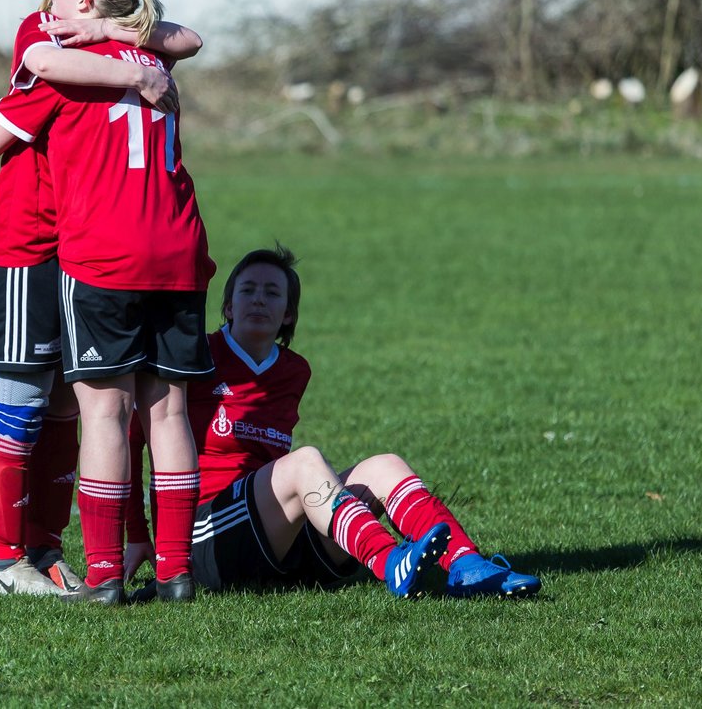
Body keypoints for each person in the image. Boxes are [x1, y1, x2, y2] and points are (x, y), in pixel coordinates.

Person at [0, 0, 216, 605]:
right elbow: (184, 38)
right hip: (175, 250)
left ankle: (101, 572)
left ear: (85, 1)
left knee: (98, 412)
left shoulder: (67, 64)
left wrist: (98, 51)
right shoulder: (152, 56)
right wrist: (133, 62)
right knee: (164, 415)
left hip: (99, 254)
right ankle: (174, 570)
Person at [125, 244, 542, 600]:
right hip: (203, 537)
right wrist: (138, 534)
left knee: (384, 465)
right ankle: (387, 560)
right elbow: (133, 437)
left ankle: (469, 567)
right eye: (247, 290)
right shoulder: (195, 356)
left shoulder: (294, 371)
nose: (258, 300)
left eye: (272, 293)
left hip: (276, 543)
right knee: (303, 463)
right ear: (228, 306)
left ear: (288, 314)